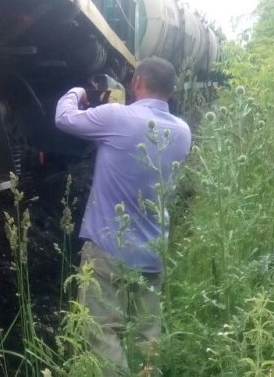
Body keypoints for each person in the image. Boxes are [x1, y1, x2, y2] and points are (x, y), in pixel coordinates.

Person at [54, 57, 191, 376]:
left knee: (103, 332)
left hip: (107, 247)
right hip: (153, 252)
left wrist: (78, 92)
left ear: (137, 82)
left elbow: (64, 118)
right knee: (148, 337)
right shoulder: (183, 132)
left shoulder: (116, 117)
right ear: (171, 90)